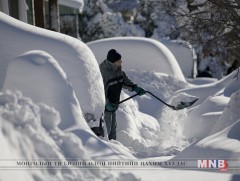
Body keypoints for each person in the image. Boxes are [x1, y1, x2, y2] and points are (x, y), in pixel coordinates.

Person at [99, 49, 145, 140]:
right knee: (106, 131)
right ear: (113, 62)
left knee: (113, 131)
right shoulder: (104, 72)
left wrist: (135, 88)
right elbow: (100, 90)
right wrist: (106, 103)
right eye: (119, 60)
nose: (121, 62)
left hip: (114, 104)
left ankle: (114, 149)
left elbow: (125, 82)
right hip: (105, 108)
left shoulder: (118, 70)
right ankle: (105, 147)